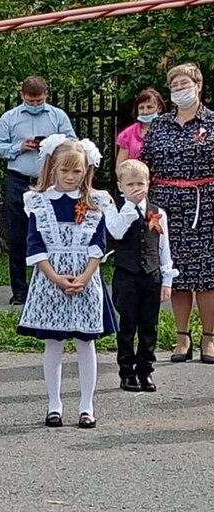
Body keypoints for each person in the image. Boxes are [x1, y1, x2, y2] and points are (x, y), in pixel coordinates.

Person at [16, 136, 116, 429]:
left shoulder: (95, 202)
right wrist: (56, 277)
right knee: (54, 343)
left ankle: (87, 405)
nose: (71, 177)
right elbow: (35, 245)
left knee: (86, 343)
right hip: (51, 278)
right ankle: (54, 404)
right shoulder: (38, 202)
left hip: (86, 278)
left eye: (77, 171)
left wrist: (84, 277)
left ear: (86, 171)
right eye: (64, 171)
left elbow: (99, 245)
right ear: (53, 168)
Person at [141, 62, 214, 364]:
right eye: (174, 86)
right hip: (166, 205)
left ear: (198, 86)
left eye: (185, 84)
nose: (179, 90)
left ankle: (209, 337)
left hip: (206, 203)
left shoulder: (212, 122)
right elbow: (144, 164)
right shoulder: (159, 125)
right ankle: (182, 336)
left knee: (208, 275)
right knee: (177, 272)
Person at [0, 76, 76, 305]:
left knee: (50, 234)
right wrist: (19, 147)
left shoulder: (58, 116)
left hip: (49, 182)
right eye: (31, 100)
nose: (35, 104)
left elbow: (73, 144)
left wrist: (53, 145)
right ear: (22, 96)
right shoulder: (10, 118)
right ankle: (19, 291)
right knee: (17, 236)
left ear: (46, 95)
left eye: (39, 100)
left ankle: (50, 285)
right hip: (18, 180)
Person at [105, 160, 176, 392]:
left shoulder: (158, 212)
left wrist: (167, 280)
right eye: (130, 184)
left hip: (151, 275)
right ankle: (126, 372)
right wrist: (128, 210)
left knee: (149, 326)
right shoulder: (116, 209)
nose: (136, 188)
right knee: (127, 326)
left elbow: (163, 248)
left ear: (149, 183)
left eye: (140, 183)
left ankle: (145, 370)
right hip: (126, 275)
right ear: (120, 186)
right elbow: (115, 232)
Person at [115, 88, 166, 164]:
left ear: (159, 108)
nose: (145, 112)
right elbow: (120, 166)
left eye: (149, 107)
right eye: (141, 108)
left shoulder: (169, 130)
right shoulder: (127, 134)